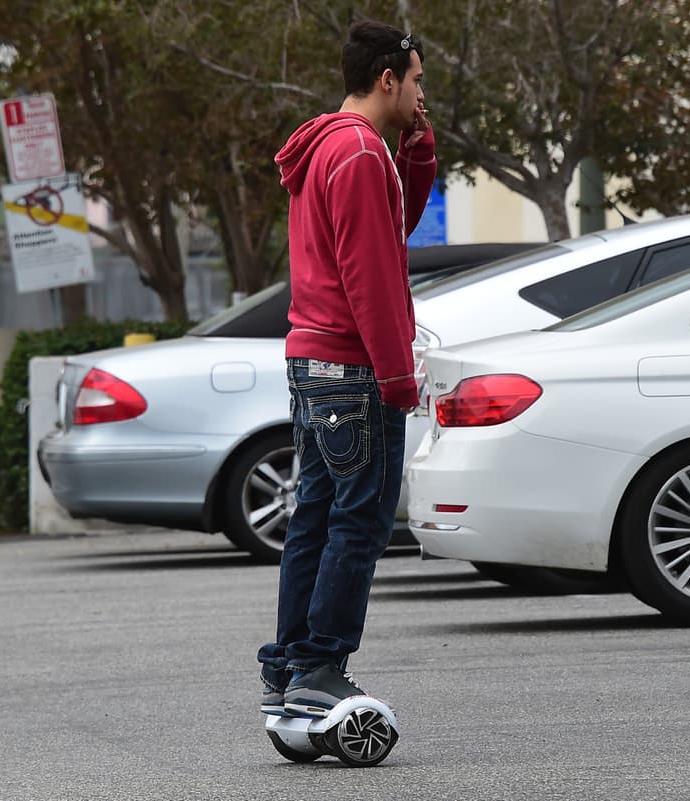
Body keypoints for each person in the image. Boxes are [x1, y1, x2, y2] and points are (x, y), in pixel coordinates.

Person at [257, 18, 436, 718]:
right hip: (353, 368)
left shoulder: (334, 144)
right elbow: (372, 276)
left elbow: (388, 235)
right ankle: (321, 666)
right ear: (387, 79)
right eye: (417, 80)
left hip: (312, 359)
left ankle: (288, 667)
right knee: (358, 525)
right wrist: (397, 376)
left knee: (315, 518)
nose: (422, 93)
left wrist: (416, 152)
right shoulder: (359, 153)